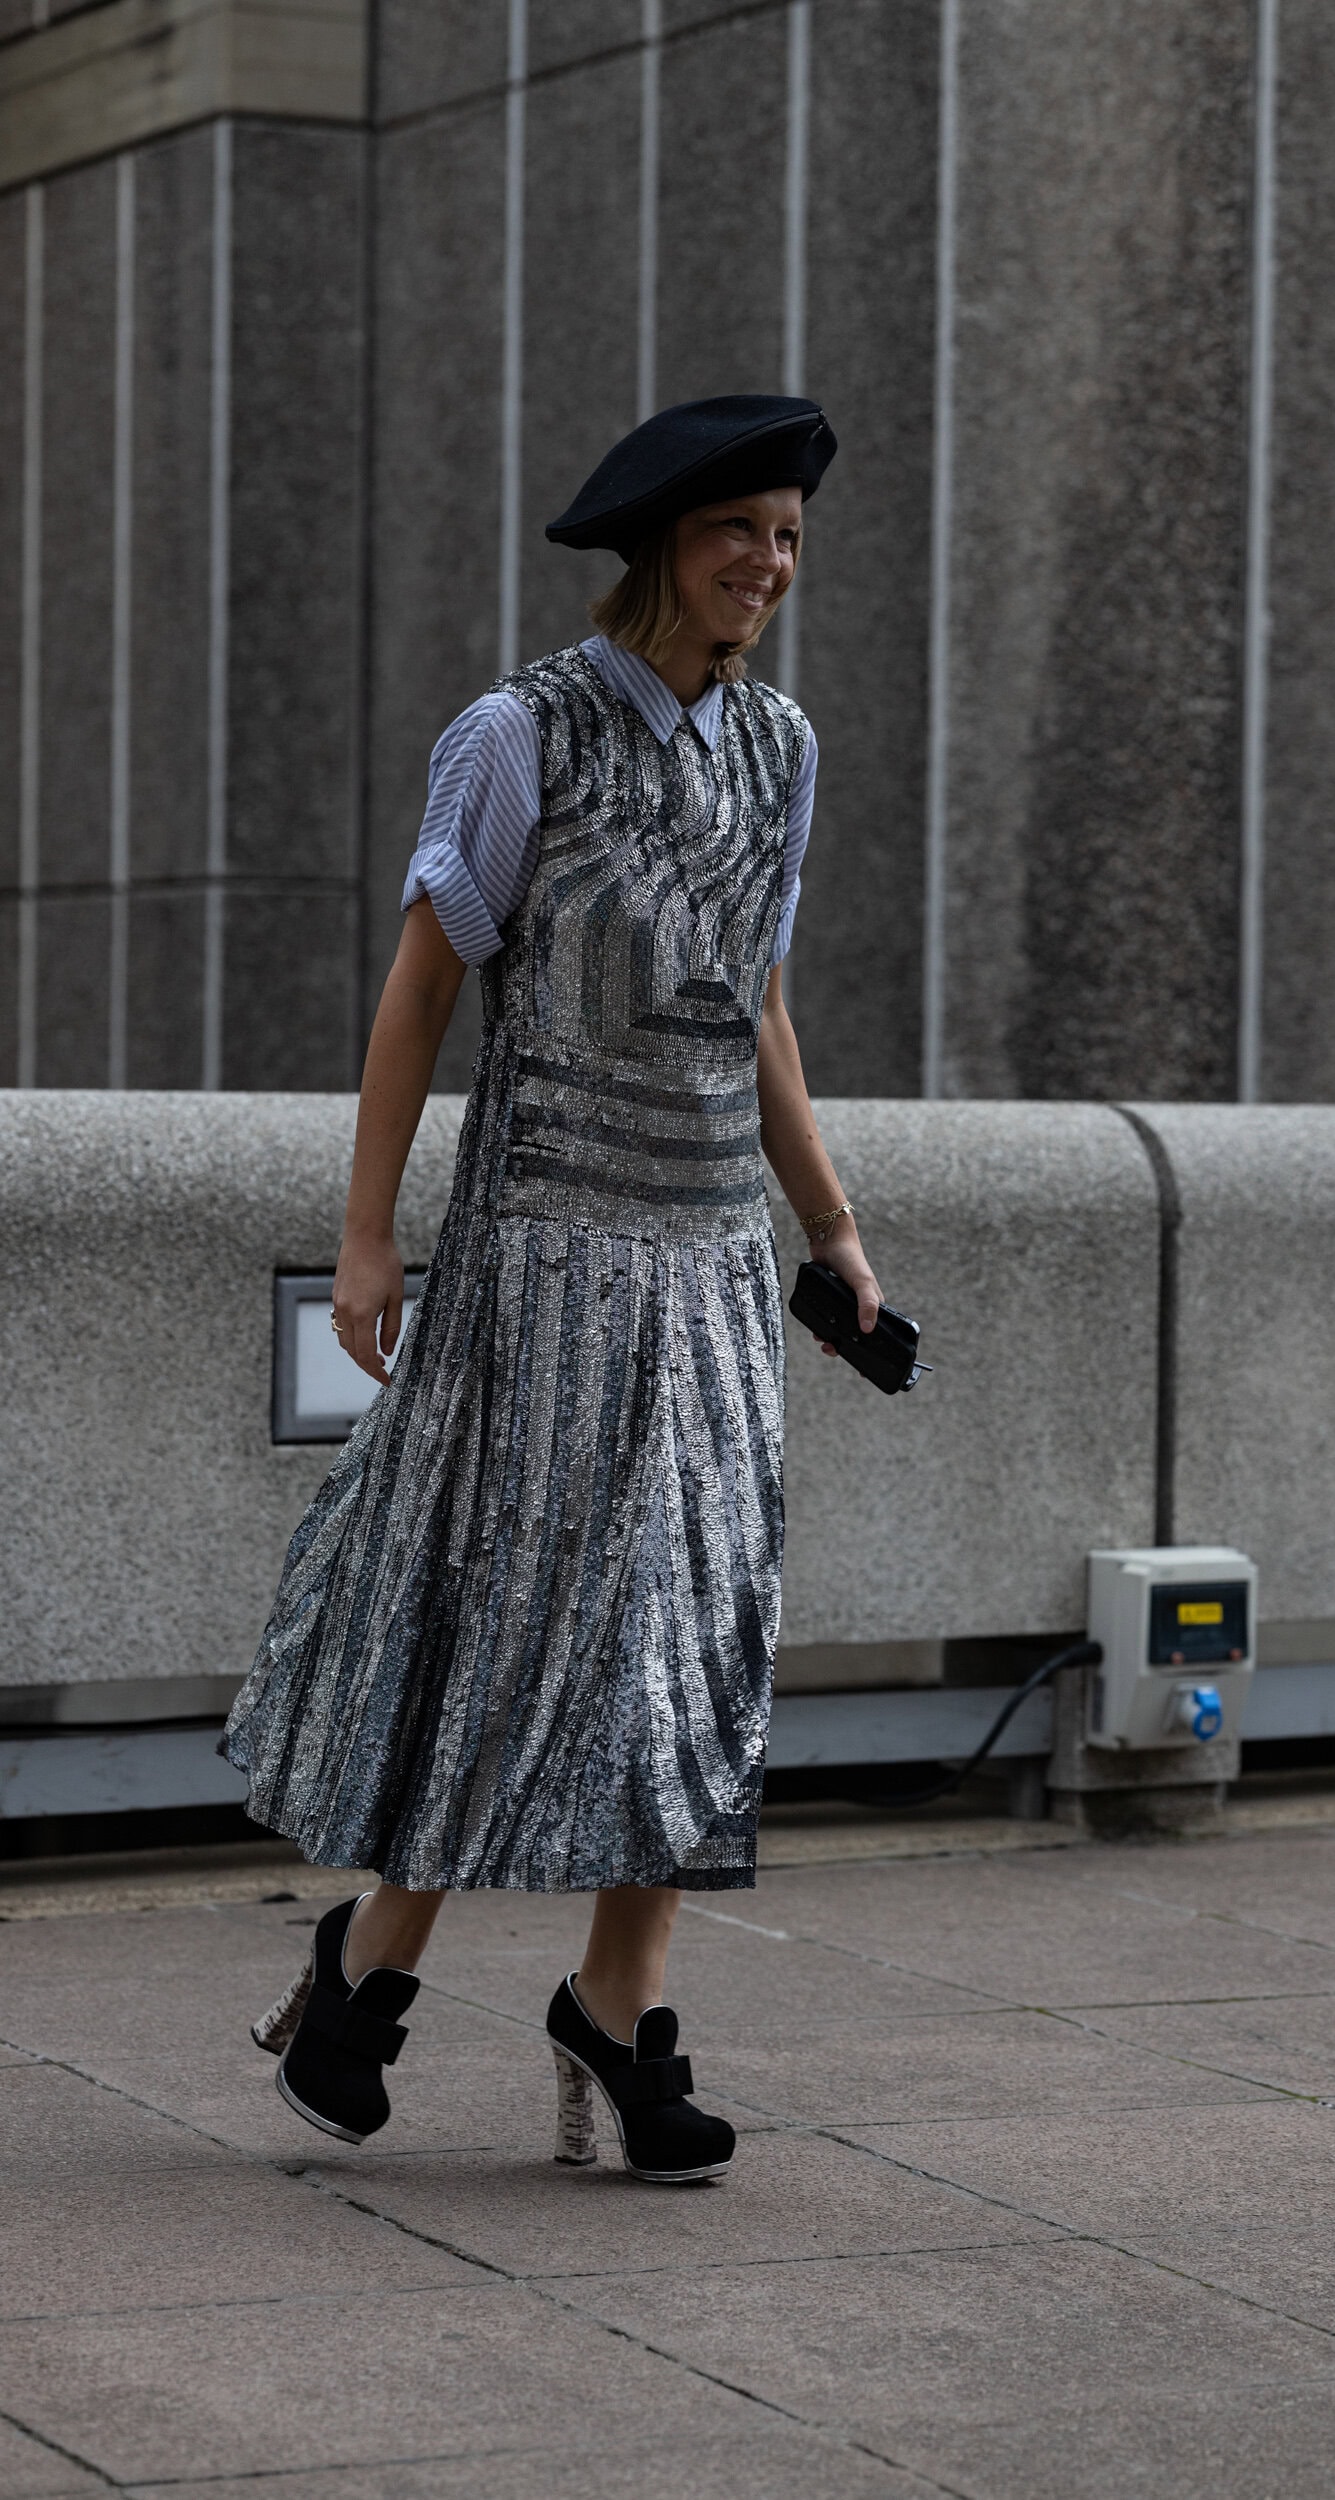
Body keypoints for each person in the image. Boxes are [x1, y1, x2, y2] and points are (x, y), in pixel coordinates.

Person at [221, 394, 879, 2184]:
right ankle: (372, 1960)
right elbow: (423, 987)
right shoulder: (520, 733)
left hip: (713, 1260)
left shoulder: (782, 748)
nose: (769, 563)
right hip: (544, 1250)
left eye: (790, 536)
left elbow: (756, 1005)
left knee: (698, 1628)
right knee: (519, 1609)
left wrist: (829, 1227)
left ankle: (619, 2002)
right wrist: (370, 1234)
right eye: (740, 528)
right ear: (661, 539)